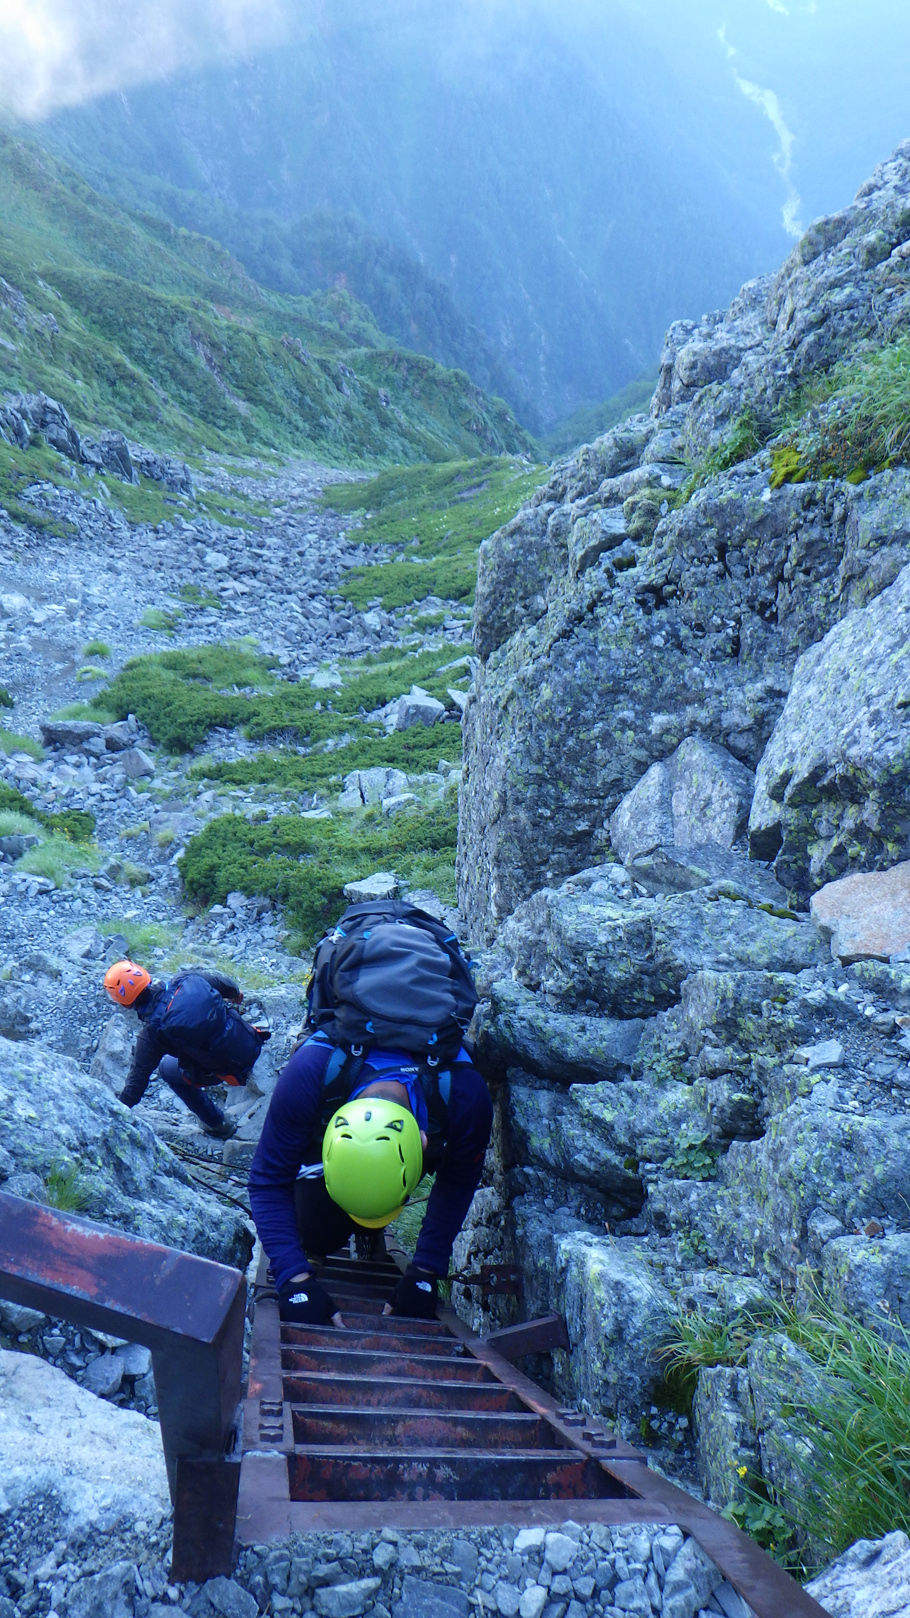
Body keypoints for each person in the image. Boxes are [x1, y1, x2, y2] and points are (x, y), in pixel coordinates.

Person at [248, 1030, 493, 1325]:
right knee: (313, 1233)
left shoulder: (466, 1096)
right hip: (321, 1160)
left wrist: (426, 1271)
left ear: (424, 1141)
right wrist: (294, 1281)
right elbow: (267, 1179)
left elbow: (458, 1181)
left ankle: (373, 1212)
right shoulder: (308, 1072)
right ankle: (326, 1228)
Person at [103, 958, 267, 1139]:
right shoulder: (186, 979)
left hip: (231, 1070)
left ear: (125, 1004)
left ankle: (217, 1123)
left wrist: (112, 1112)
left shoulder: (151, 1035)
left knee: (167, 1068)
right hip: (251, 1040)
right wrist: (235, 994)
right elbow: (227, 984)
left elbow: (135, 1088)